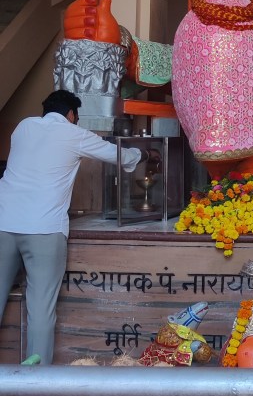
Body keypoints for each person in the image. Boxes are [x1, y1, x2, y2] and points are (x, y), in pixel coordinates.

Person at [0, 90, 146, 364]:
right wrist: (143, 153)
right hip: (43, 228)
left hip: (3, 222)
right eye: (76, 118)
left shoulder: (22, 127)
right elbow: (119, 155)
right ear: (71, 115)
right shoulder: (73, 133)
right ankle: (35, 380)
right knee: (40, 308)